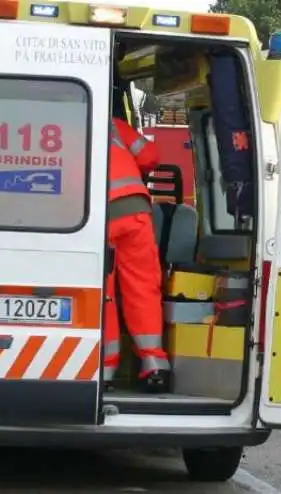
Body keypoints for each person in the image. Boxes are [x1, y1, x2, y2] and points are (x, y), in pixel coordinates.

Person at [104, 117, 170, 391]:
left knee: (103, 293)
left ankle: (105, 367)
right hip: (135, 209)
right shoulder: (115, 124)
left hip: (97, 215)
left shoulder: (58, 124)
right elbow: (150, 155)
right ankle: (154, 363)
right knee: (142, 287)